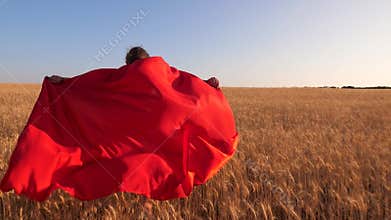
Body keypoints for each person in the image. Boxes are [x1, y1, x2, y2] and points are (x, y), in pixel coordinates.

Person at [48, 47, 220, 88]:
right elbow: (184, 82)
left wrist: (64, 81)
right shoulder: (163, 72)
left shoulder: (118, 77)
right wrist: (206, 84)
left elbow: (92, 83)